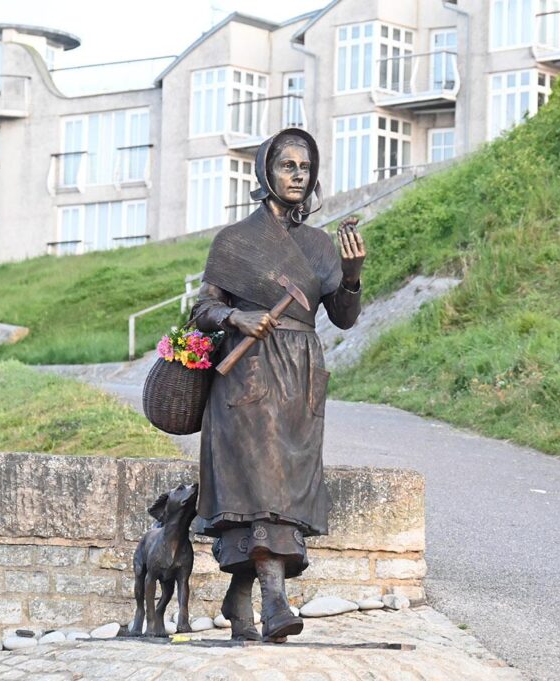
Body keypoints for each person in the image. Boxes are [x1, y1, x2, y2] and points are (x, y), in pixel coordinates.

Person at [191, 127, 365, 642]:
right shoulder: (235, 240)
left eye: (305, 168)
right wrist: (235, 318)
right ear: (266, 171)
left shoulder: (317, 245)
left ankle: (238, 599)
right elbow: (201, 310)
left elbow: (345, 317)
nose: (297, 175)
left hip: (301, 377)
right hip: (246, 373)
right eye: (287, 165)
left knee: (283, 487)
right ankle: (275, 599)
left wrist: (351, 274)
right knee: (263, 484)